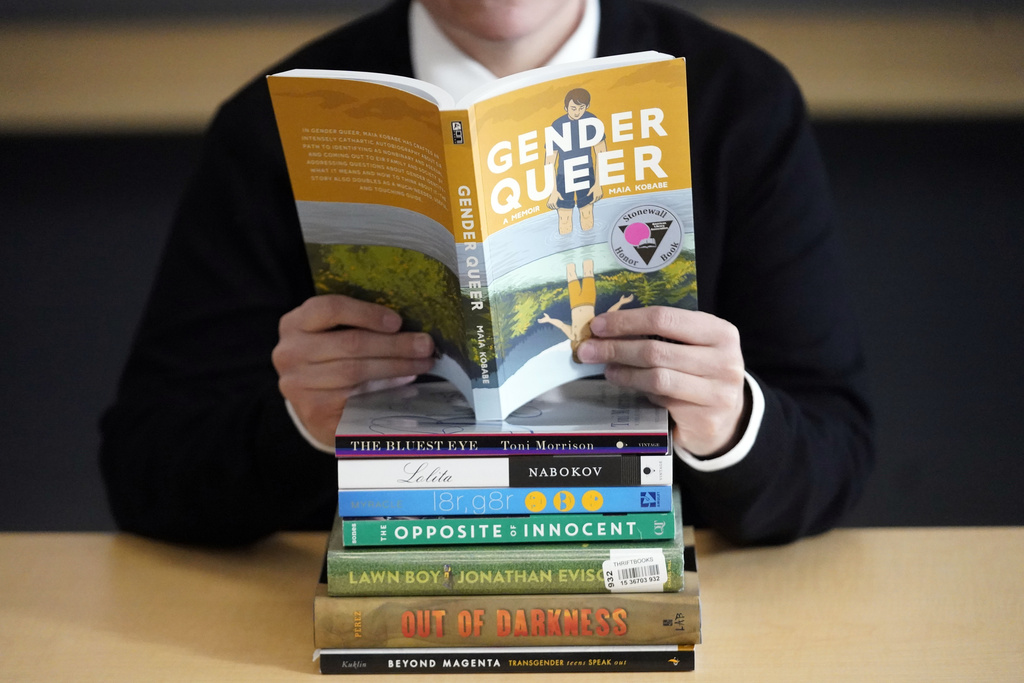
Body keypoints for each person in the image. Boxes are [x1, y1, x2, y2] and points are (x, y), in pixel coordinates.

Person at [99, 0, 874, 547]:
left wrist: (729, 421)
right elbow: (145, 468)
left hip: (642, 586)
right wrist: (301, 423)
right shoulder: (272, 125)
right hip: (382, 600)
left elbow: (836, 449)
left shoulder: (738, 102)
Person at [545, 88, 606, 234]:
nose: (577, 112)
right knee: (564, 218)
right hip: (563, 177)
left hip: (586, 174)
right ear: (566, 107)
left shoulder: (592, 122)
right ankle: (567, 255)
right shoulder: (557, 125)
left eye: (581, 108)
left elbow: (601, 153)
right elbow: (549, 160)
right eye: (573, 108)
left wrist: (598, 184)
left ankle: (590, 254)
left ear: (587, 107)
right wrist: (553, 191)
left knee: (587, 215)